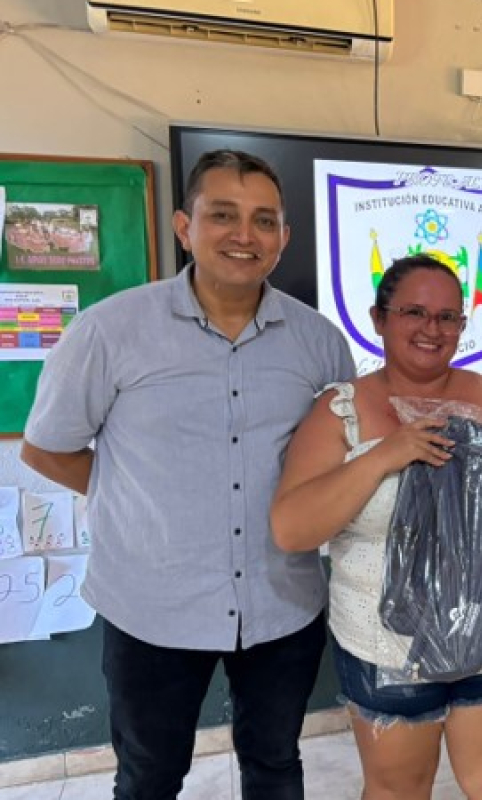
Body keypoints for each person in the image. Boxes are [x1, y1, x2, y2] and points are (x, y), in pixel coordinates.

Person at [20, 150, 356, 799]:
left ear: (283, 238)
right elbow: (45, 449)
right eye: (222, 214)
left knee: (275, 764)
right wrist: (138, 499)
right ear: (184, 227)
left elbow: (336, 462)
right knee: (149, 777)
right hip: (152, 606)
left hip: (281, 604)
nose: (243, 235)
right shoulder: (109, 331)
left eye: (264, 221)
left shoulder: (319, 343)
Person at [270, 254, 482, 800]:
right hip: (388, 648)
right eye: (414, 312)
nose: (433, 329)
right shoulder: (340, 411)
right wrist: (386, 455)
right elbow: (292, 529)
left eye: (449, 317)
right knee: (397, 791)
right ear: (379, 318)